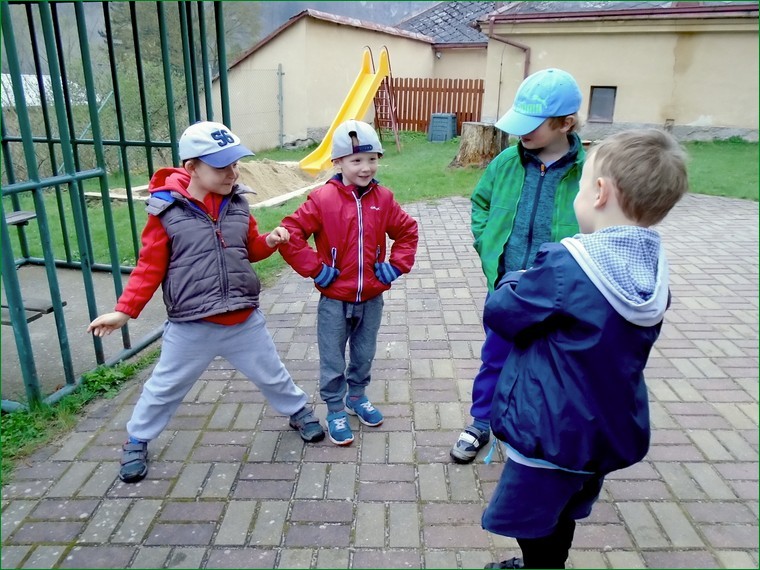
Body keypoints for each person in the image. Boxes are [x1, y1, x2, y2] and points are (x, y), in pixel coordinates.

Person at [482, 129, 689, 569]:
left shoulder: (566, 266)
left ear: (599, 192)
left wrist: (515, 278)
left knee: (532, 520)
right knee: (565, 507)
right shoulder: (651, 270)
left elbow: (503, 313)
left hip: (551, 430)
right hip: (603, 429)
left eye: (579, 186)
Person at [87, 121, 325, 484]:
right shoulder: (166, 212)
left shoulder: (239, 204)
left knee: (272, 373)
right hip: (191, 325)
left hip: (243, 320)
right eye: (221, 167)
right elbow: (149, 267)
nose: (232, 173)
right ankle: (137, 438)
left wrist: (269, 242)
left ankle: (298, 411)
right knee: (164, 387)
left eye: (235, 164)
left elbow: (249, 248)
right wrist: (124, 311)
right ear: (192, 168)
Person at [451, 68, 585, 464]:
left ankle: (539, 432)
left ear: (565, 123)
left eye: (533, 124)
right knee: (496, 357)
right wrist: (486, 243)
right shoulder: (506, 162)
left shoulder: (589, 170)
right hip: (508, 290)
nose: (521, 132)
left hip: (560, 294)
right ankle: (481, 421)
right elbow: (481, 203)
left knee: (552, 366)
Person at [278, 120, 418, 446]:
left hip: (371, 297)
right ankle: (335, 408)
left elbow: (407, 231)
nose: (366, 167)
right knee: (332, 358)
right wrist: (316, 269)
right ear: (338, 162)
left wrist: (396, 265)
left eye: (372, 159)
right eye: (356, 160)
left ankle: (356, 397)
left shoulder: (384, 198)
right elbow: (289, 233)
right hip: (334, 300)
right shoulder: (322, 199)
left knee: (364, 353)